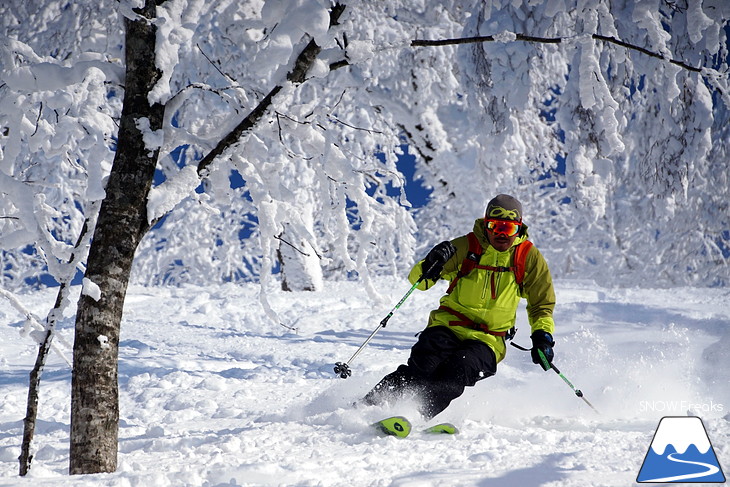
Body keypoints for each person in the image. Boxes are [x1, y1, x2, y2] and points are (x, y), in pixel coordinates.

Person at [363, 194, 556, 419]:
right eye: (495, 226)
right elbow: (420, 282)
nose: (501, 234)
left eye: (509, 228)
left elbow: (541, 303)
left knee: (457, 371)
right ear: (486, 225)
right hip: (447, 325)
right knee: (422, 368)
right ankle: (366, 408)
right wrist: (431, 262)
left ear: (519, 228)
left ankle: (414, 416)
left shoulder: (528, 257)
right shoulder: (467, 246)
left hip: (488, 339)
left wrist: (543, 337)